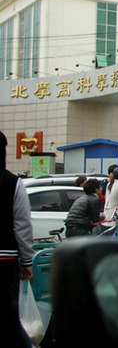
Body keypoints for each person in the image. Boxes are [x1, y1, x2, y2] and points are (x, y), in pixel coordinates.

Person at [0, 131, 33, 348]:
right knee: (9, 320)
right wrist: (27, 261)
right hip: (5, 261)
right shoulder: (13, 182)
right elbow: (22, 225)